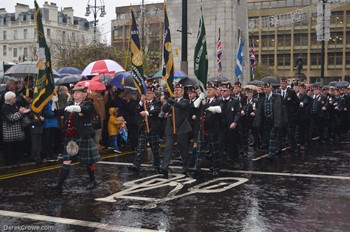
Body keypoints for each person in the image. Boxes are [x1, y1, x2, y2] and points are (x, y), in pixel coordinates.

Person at [47, 84, 100, 193]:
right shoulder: (69, 103)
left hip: (82, 135)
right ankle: (59, 185)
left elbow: (84, 110)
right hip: (70, 137)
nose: (75, 94)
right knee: (66, 161)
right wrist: (54, 103)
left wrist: (76, 108)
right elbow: (58, 112)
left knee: (88, 161)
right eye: (74, 92)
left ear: (84, 95)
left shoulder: (88, 104)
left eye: (78, 92)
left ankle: (93, 180)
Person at [160, 83, 192, 178]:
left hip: (181, 128)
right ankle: (164, 167)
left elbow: (180, 106)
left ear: (182, 92)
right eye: (175, 90)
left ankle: (185, 167)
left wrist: (172, 102)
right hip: (170, 128)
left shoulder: (185, 101)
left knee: (183, 149)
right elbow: (164, 109)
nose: (176, 92)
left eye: (178, 90)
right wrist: (167, 102)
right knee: (168, 148)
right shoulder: (171, 101)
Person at [131, 84, 162, 172]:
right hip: (144, 128)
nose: (147, 94)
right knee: (140, 148)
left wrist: (147, 112)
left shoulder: (157, 102)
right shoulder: (143, 102)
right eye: (146, 93)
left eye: (149, 93)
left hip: (153, 128)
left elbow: (156, 110)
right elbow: (136, 110)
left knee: (155, 149)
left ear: (154, 94)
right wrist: (141, 102)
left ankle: (157, 166)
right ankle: (136, 164)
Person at [253, 82, 287, 160]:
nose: (266, 89)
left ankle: (271, 153)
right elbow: (259, 110)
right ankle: (275, 148)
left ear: (271, 88)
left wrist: (283, 120)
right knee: (267, 137)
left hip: (274, 119)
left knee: (273, 136)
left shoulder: (278, 97)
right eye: (264, 88)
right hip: (265, 120)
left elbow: (282, 110)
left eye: (267, 88)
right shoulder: (262, 98)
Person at [1, 91, 30, 166]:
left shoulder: (15, 105)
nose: (15, 99)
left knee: (17, 148)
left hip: (18, 132)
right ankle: (9, 162)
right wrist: (21, 113)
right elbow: (11, 118)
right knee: (9, 149)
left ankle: (16, 161)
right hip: (9, 132)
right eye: (14, 98)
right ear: (9, 99)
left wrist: (22, 112)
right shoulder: (5, 107)